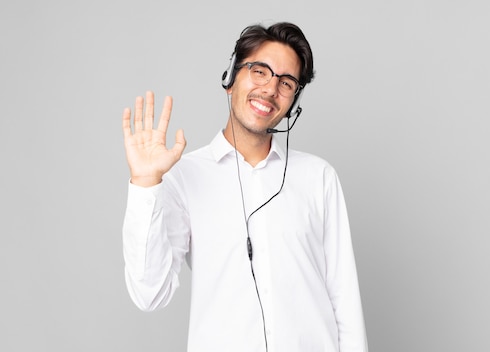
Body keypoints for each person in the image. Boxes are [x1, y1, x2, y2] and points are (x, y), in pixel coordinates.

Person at [121, 22, 368, 352]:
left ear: (293, 100)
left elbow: (345, 299)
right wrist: (145, 184)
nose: (270, 89)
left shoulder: (318, 177)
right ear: (231, 78)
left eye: (286, 82)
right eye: (260, 71)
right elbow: (149, 293)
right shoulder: (184, 176)